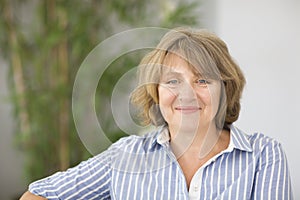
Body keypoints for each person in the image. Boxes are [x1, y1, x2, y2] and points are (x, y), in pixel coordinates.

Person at [20, 27, 293, 200]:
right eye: (173, 81)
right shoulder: (125, 156)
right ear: (156, 92)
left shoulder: (263, 155)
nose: (186, 94)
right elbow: (37, 195)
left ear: (225, 89)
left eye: (202, 80)